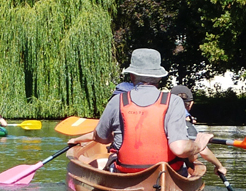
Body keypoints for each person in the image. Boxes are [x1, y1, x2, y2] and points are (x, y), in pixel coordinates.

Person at [69, 49, 213, 175]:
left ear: (132, 76)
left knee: (105, 161)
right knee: (184, 166)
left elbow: (101, 138)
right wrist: (198, 145)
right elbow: (180, 148)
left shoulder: (117, 100)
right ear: (159, 78)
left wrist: (114, 136)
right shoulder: (173, 101)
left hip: (125, 172)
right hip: (166, 172)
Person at [170, 85, 227, 176]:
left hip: (155, 164)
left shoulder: (159, 118)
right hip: (176, 169)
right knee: (191, 159)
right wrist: (219, 166)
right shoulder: (186, 125)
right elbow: (203, 151)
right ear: (191, 104)